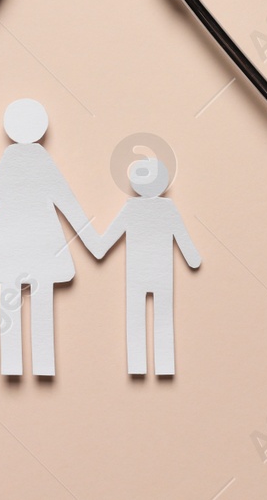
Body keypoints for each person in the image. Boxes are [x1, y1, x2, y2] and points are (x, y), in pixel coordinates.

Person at [0, 98, 98, 376]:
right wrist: (94, 241)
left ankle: (16, 363)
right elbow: (66, 202)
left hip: (9, 247)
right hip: (41, 248)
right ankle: (41, 362)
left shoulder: (14, 161)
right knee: (41, 302)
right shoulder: (37, 161)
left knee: (11, 305)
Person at [91, 157, 201, 375]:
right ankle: (164, 365)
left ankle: (138, 365)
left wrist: (92, 241)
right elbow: (184, 240)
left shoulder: (132, 209)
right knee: (163, 319)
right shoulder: (166, 208)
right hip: (161, 275)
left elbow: (105, 243)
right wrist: (192, 258)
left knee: (136, 319)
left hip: (137, 275)